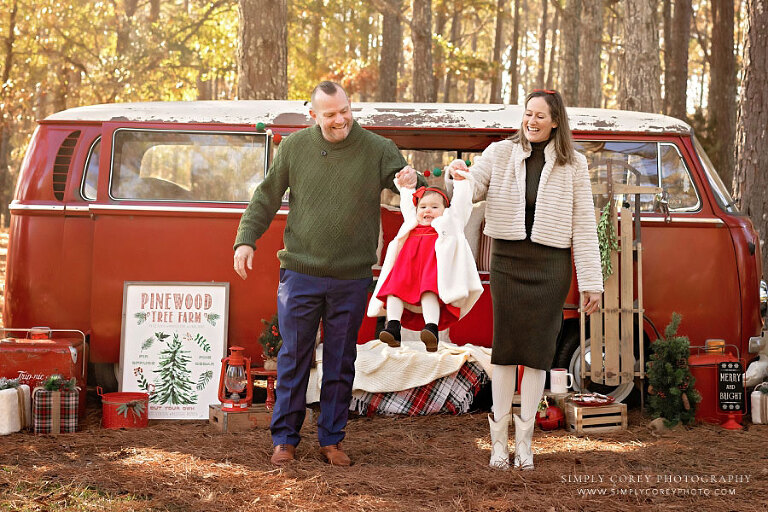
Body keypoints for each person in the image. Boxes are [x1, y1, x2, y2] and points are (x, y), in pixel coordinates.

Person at [233, 81, 422, 467]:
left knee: (340, 361)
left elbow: (401, 179)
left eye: (345, 110)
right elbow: (266, 195)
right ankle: (285, 439)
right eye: (331, 114)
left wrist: (408, 179)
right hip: (300, 272)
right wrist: (246, 239)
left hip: (351, 277)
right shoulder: (295, 148)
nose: (340, 120)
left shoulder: (376, 148)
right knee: (294, 356)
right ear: (314, 116)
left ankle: (331, 439)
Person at [447, 89, 602, 471]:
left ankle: (526, 444)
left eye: (540, 116)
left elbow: (583, 225)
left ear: (555, 121)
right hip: (508, 262)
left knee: (536, 352)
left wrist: (591, 281)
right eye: (527, 114)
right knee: (506, 348)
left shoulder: (574, 165)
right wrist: (459, 177)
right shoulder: (500, 153)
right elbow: (473, 186)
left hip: (550, 266)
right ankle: (498, 444)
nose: (531, 121)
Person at [367, 175, 483, 352]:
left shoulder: (447, 225)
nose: (427, 210)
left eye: (434, 207)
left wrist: (461, 182)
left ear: (446, 210)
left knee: (429, 293)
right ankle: (393, 327)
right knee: (392, 292)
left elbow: (461, 206)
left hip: (431, 270)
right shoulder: (412, 223)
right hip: (406, 270)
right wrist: (406, 188)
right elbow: (407, 203)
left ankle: (431, 329)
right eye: (423, 207)